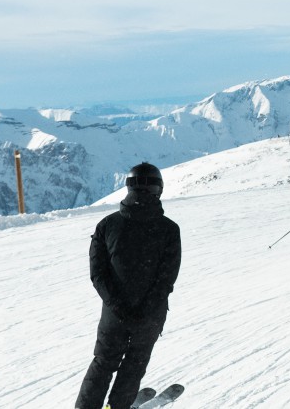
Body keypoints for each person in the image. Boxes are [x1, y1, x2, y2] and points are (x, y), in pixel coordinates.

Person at [78, 163, 183, 409]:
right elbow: (166, 280)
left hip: (113, 315)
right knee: (134, 365)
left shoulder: (107, 225)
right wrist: (143, 310)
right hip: (150, 316)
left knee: (103, 363)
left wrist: (119, 307)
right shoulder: (169, 229)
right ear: (159, 189)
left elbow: (98, 275)